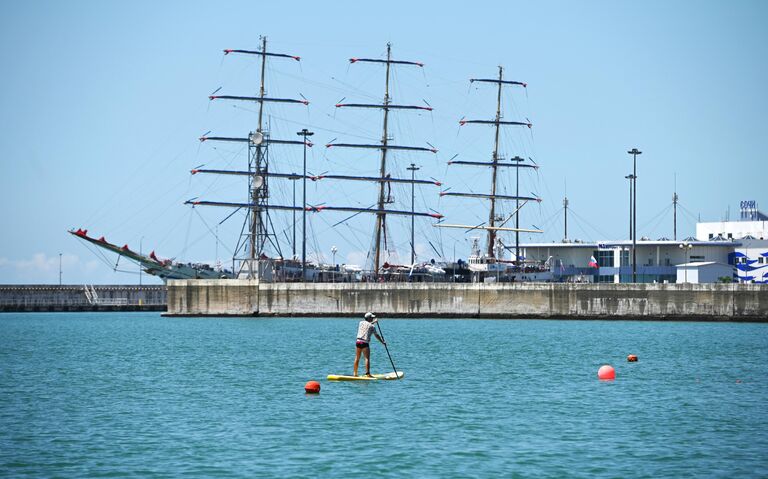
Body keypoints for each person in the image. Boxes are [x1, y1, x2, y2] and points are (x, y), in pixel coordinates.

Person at [353, 312, 386, 377]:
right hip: (365, 343)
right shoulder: (372, 327)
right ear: (369, 318)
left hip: (358, 342)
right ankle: (368, 374)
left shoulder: (361, 323)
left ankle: (355, 373)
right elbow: (377, 335)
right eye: (371, 318)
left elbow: (367, 324)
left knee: (357, 358)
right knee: (366, 358)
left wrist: (374, 322)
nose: (372, 319)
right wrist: (382, 342)